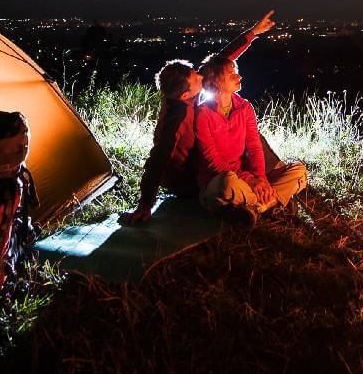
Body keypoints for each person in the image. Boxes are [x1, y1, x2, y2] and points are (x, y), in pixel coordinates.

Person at [120, 11, 277, 225]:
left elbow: (220, 61)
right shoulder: (176, 119)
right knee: (229, 178)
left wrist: (252, 33)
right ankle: (253, 201)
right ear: (186, 95)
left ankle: (262, 187)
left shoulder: (189, 90)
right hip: (190, 179)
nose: (202, 77)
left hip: (206, 168)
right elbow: (157, 160)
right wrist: (145, 204)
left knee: (249, 135)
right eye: (197, 79)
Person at [195, 55, 307, 224]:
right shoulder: (203, 114)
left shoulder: (244, 107)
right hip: (221, 179)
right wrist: (250, 180)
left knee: (299, 171)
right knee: (227, 183)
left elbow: (254, 146)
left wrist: (261, 179)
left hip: (247, 179)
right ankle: (271, 201)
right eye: (231, 74)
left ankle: (255, 207)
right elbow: (212, 161)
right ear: (216, 81)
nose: (239, 76)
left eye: (236, 72)